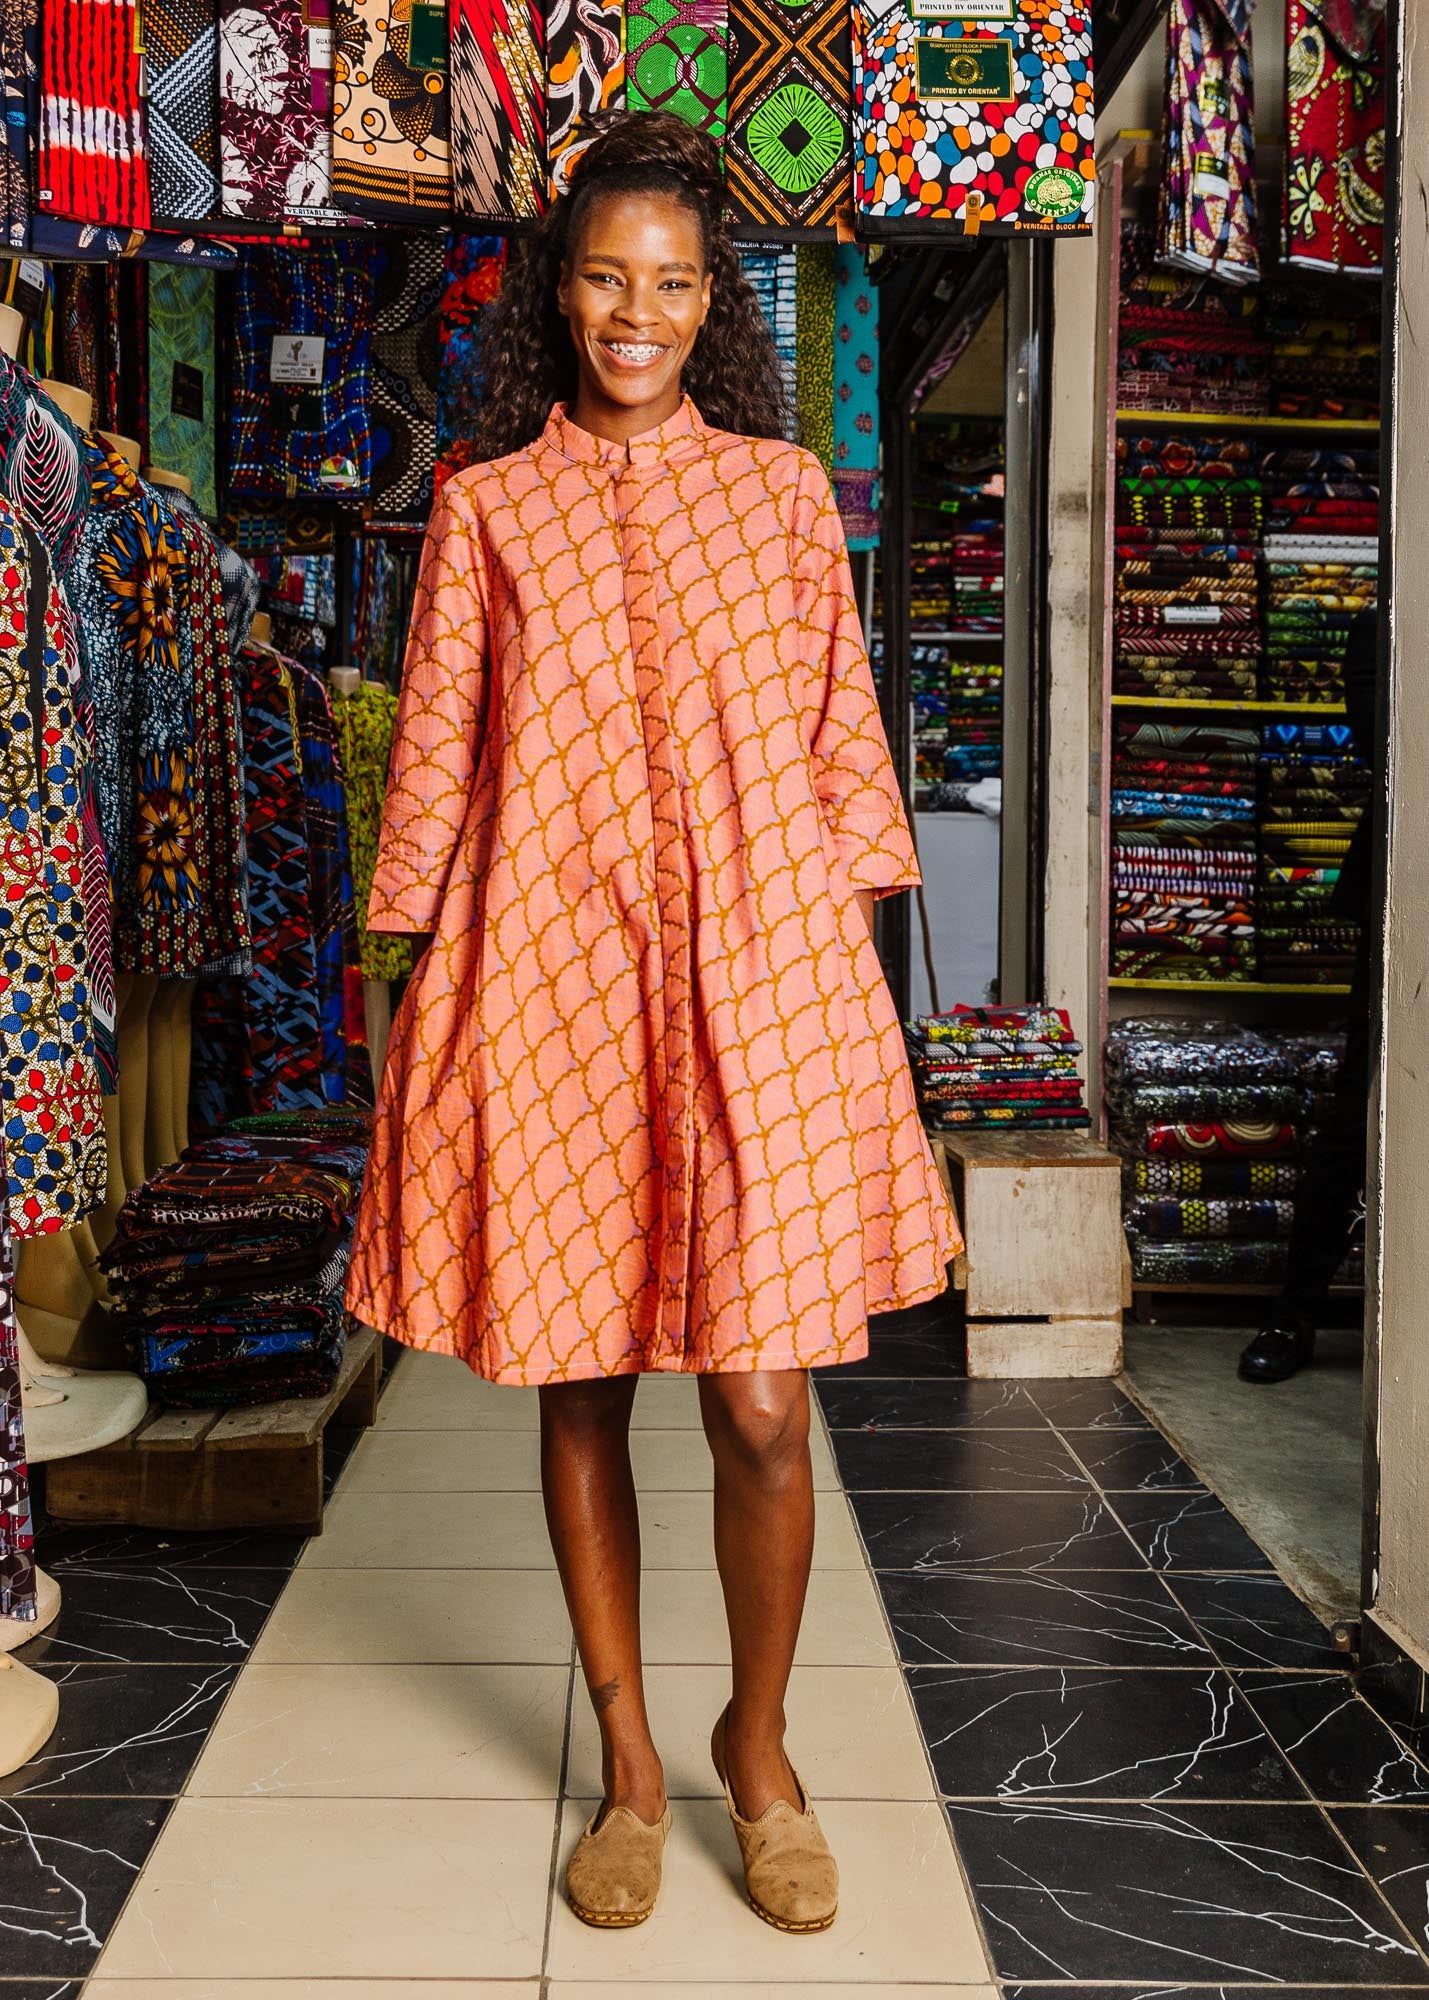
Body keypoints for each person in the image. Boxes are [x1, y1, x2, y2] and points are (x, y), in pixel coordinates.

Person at [345, 113, 960, 1934]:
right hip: (544, 985)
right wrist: (406, 995)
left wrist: (834, 996)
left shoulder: (778, 499)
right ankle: (627, 1765)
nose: (637, 311)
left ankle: (753, 1750)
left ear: (713, 307)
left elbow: (846, 753)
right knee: (580, 1372)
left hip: (756, 986)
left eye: (673, 283)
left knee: (762, 1406)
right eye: (607, 275)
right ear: (561, 286)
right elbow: (442, 768)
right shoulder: (485, 507)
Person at [1240, 607, 1378, 1384]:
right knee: (1360, 1113)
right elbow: (1383, 735)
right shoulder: (1385, 620)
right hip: (1401, 895)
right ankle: (1293, 1312)